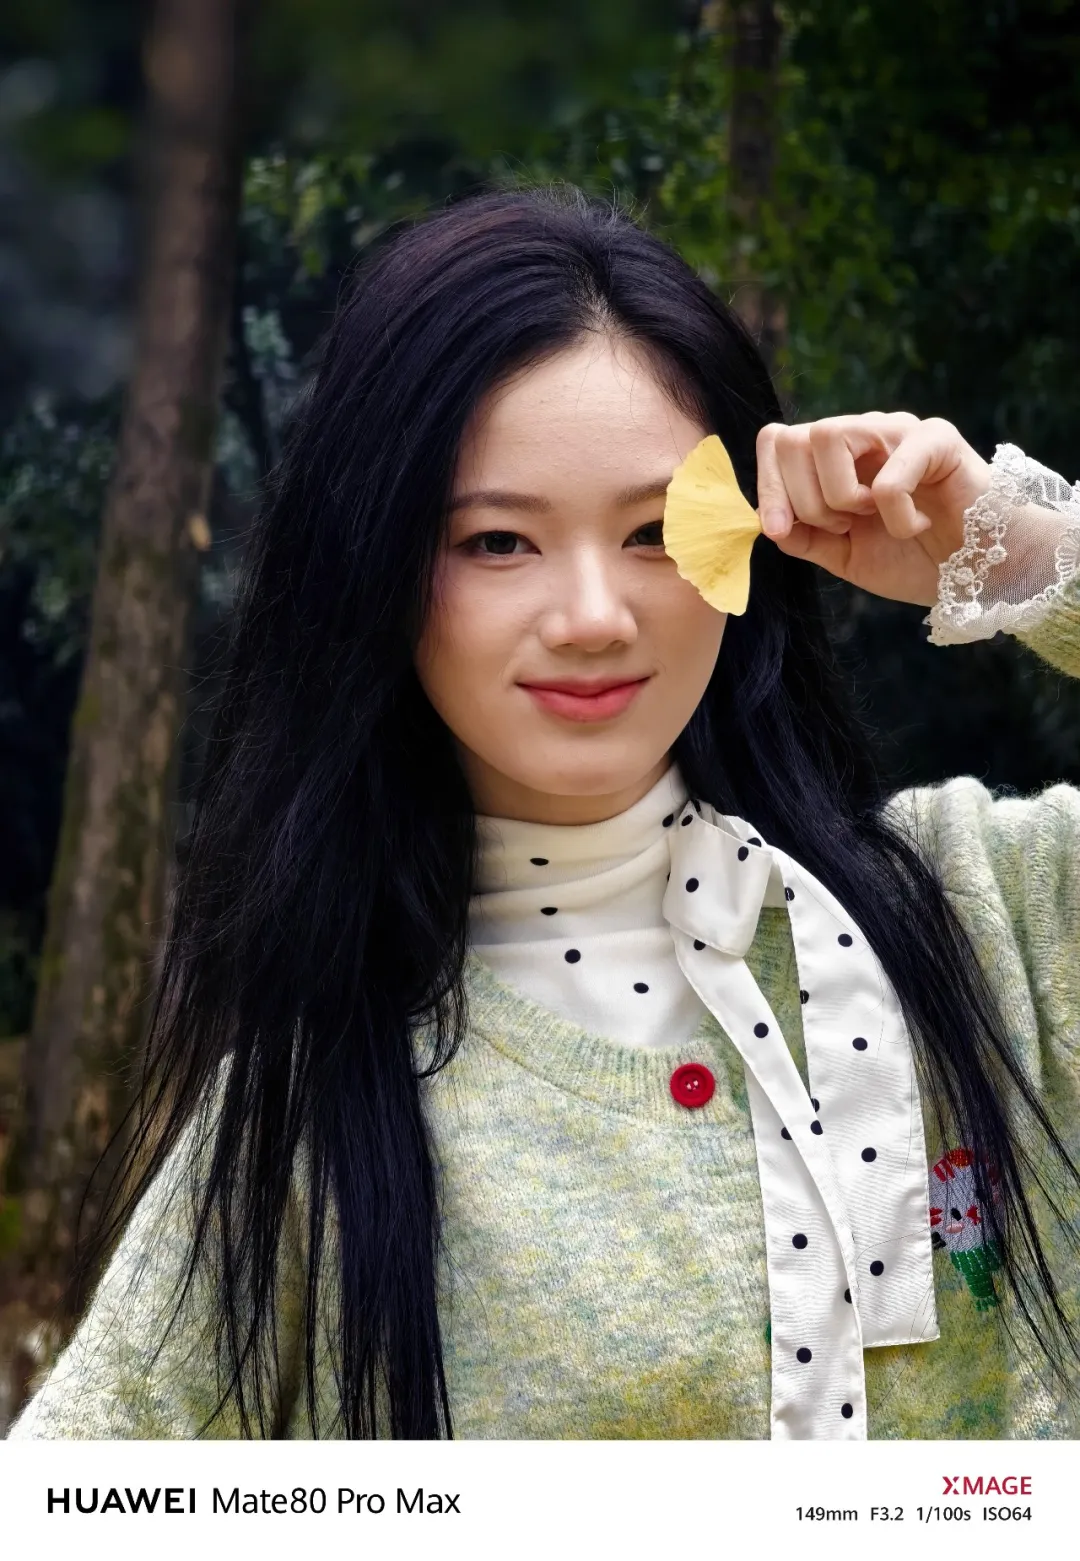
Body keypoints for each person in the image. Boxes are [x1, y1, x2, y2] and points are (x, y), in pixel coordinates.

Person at [8, 182, 1080, 1442]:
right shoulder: (319, 1117)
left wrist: (1019, 549)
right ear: (378, 568)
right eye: (499, 543)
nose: (592, 616)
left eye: (653, 531)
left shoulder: (992, 915)